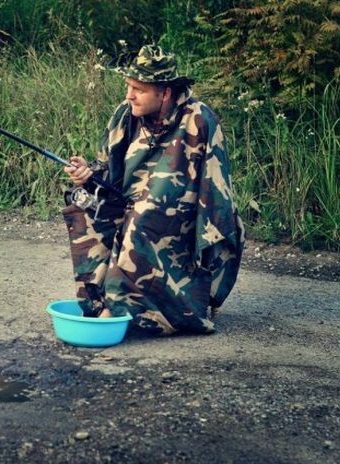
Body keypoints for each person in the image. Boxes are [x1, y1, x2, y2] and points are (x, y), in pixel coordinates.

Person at [62, 44, 244, 335]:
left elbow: (217, 190)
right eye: (129, 86)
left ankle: (122, 310)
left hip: (180, 214)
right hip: (131, 202)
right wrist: (87, 173)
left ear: (165, 92)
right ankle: (99, 300)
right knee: (84, 204)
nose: (129, 95)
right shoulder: (126, 115)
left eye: (139, 89)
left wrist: (212, 251)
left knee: (143, 212)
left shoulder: (199, 119)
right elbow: (108, 170)